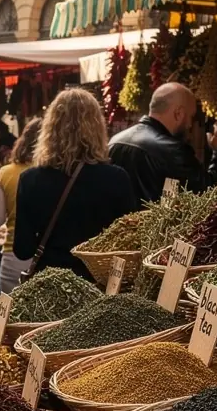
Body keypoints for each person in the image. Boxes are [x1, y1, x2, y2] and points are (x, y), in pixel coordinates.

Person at [14, 88, 137, 280]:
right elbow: (129, 244)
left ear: (50, 128)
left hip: (47, 287)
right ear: (97, 127)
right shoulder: (117, 179)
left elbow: (23, 250)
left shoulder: (30, 179)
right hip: (99, 286)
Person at [107, 82, 217, 204]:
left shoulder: (114, 141)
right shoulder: (172, 150)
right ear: (178, 114)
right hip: (150, 226)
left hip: (117, 226)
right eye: (191, 117)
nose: (190, 125)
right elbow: (209, 195)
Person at [0, 119, 41, 295]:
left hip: (13, 257)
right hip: (46, 259)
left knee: (10, 318)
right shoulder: (55, 175)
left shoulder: (6, 172)